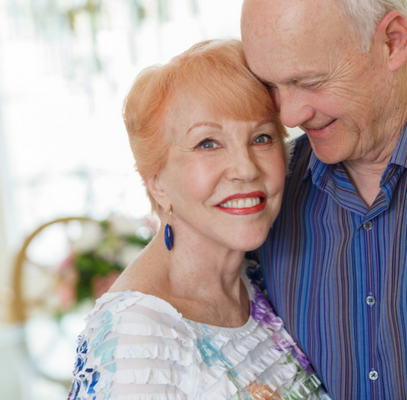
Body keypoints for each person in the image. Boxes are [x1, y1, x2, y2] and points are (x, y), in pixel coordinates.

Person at [241, 0, 407, 399]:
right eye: (271, 86)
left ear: (392, 42)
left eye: (309, 81)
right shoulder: (269, 184)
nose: (289, 116)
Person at [67, 39, 330, 400]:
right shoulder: (137, 340)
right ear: (156, 181)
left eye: (262, 137)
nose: (244, 169)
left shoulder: (256, 281)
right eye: (208, 143)